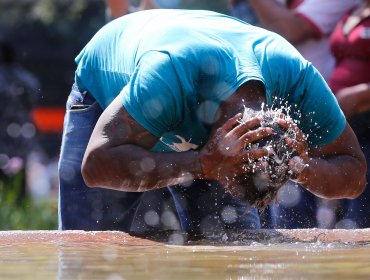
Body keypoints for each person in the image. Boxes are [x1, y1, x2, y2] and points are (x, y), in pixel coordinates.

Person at [58, 9, 366, 236]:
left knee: (237, 247)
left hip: (204, 122)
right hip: (106, 82)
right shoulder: (169, 73)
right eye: (227, 180)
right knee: (89, 246)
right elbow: (95, 164)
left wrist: (301, 165)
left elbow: (354, 173)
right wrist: (203, 165)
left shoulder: (298, 82)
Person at [241, 0, 359, 228]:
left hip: (319, 109)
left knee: (349, 209)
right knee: (281, 210)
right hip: (287, 105)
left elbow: (289, 29)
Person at [328, 0, 370, 228]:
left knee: (360, 214)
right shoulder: (351, 11)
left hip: (367, 120)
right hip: (345, 122)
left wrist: (360, 94)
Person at [0, 39, 40, 200]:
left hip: (2, 135)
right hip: (20, 133)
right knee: (19, 177)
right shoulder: (26, 78)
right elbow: (33, 99)